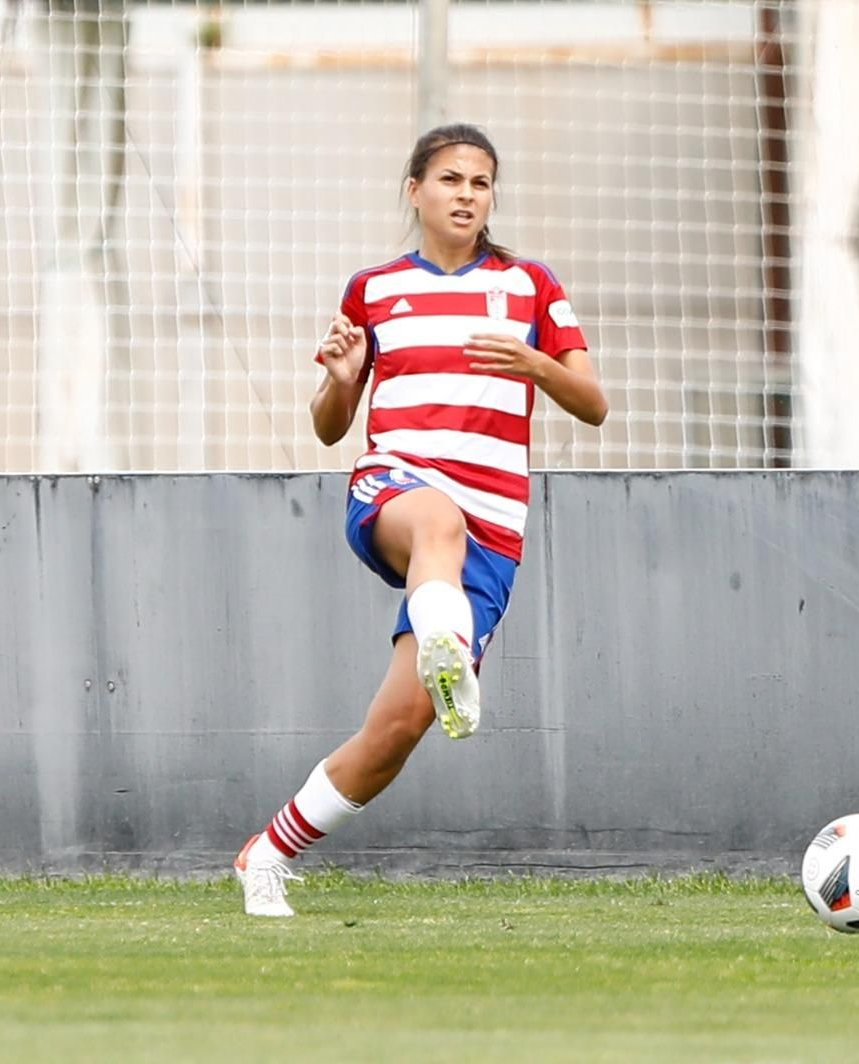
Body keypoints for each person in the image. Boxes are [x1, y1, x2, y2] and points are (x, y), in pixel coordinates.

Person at [233, 123, 608, 916]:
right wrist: (340, 380)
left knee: (398, 726)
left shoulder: (532, 285)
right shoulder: (372, 290)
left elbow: (594, 404)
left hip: (494, 527)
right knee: (436, 519)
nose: (466, 194)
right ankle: (446, 640)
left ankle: (266, 853)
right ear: (415, 191)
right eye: (449, 180)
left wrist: (536, 364)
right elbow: (332, 426)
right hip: (397, 488)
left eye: (480, 182)